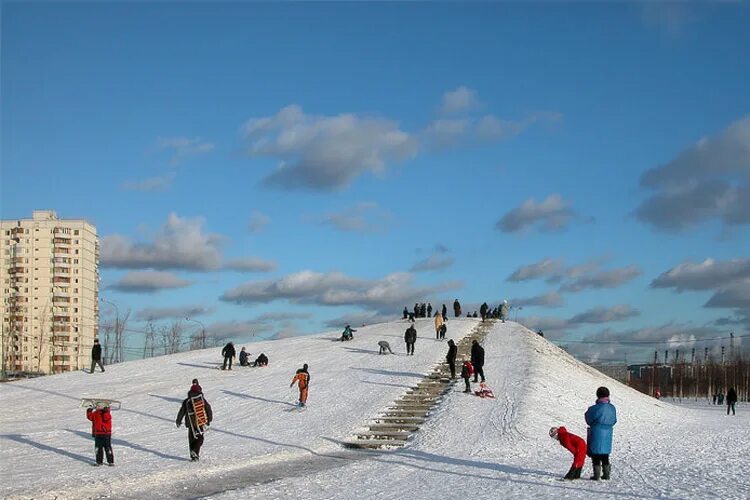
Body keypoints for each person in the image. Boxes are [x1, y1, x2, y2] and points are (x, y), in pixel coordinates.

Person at [585, 386, 617, 480]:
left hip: (596, 431)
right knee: (605, 454)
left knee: (595, 454)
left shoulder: (594, 408)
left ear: (598, 395)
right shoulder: (612, 408)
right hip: (608, 432)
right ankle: (606, 474)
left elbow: (588, 419)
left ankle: (596, 474)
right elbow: (614, 420)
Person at [176, 379, 213, 461]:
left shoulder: (187, 401)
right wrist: (209, 420)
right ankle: (195, 452)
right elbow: (208, 409)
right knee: (200, 438)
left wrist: (178, 421)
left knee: (191, 439)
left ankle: (193, 456)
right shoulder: (201, 400)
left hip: (190, 424)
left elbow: (182, 411)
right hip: (199, 422)